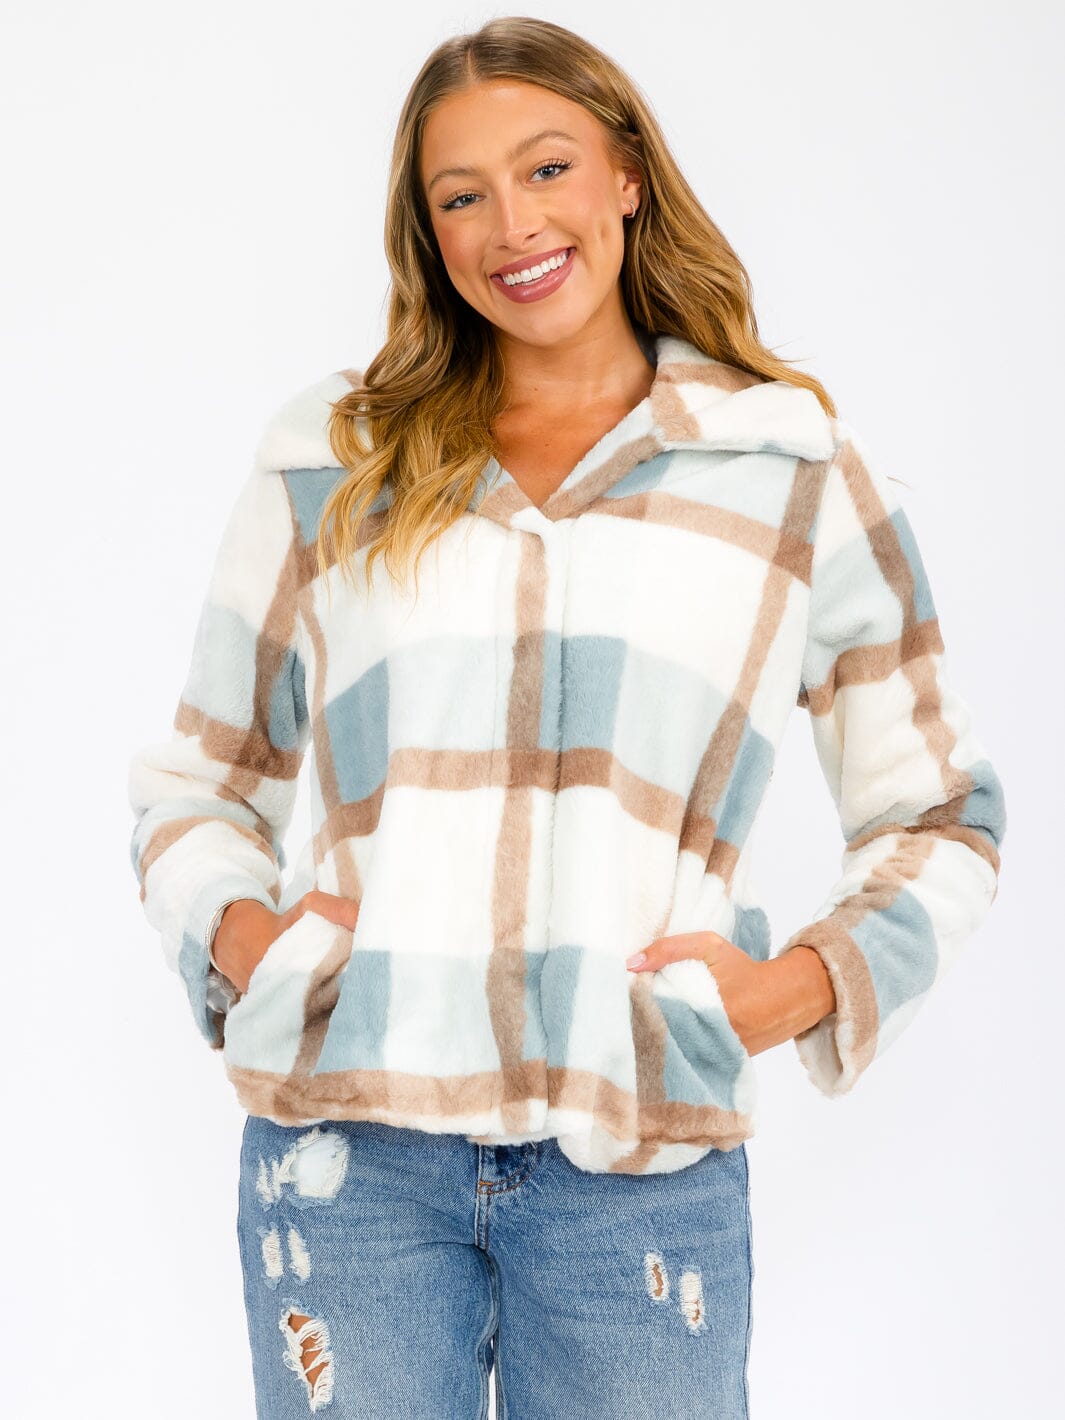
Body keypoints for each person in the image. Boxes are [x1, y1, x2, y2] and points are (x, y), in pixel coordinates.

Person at [126, 15, 1007, 1418]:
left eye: (547, 169)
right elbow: (198, 784)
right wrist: (251, 941)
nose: (511, 225)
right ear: (426, 232)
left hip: (636, 1173)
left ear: (627, 178)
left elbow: (942, 814)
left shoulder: (786, 469)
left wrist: (793, 989)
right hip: (351, 1163)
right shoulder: (333, 460)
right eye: (460, 195)